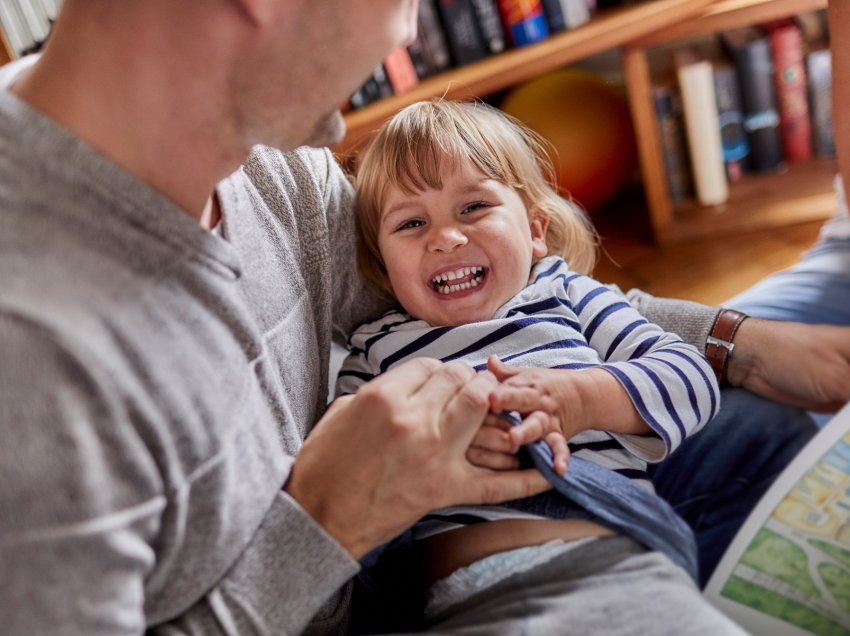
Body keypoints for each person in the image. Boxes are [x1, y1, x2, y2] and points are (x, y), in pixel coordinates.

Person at [0, 0, 846, 634]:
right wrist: (327, 518)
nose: (408, 33)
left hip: (590, 488)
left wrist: (737, 343)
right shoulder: (35, 363)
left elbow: (506, 300)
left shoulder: (271, 173)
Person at [338, 97, 742, 633]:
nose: (445, 237)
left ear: (534, 229)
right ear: (384, 267)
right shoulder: (374, 348)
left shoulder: (562, 295)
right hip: (463, 605)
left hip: (618, 572)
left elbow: (689, 375)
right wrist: (430, 442)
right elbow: (341, 461)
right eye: (411, 223)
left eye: (473, 207)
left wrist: (580, 399)